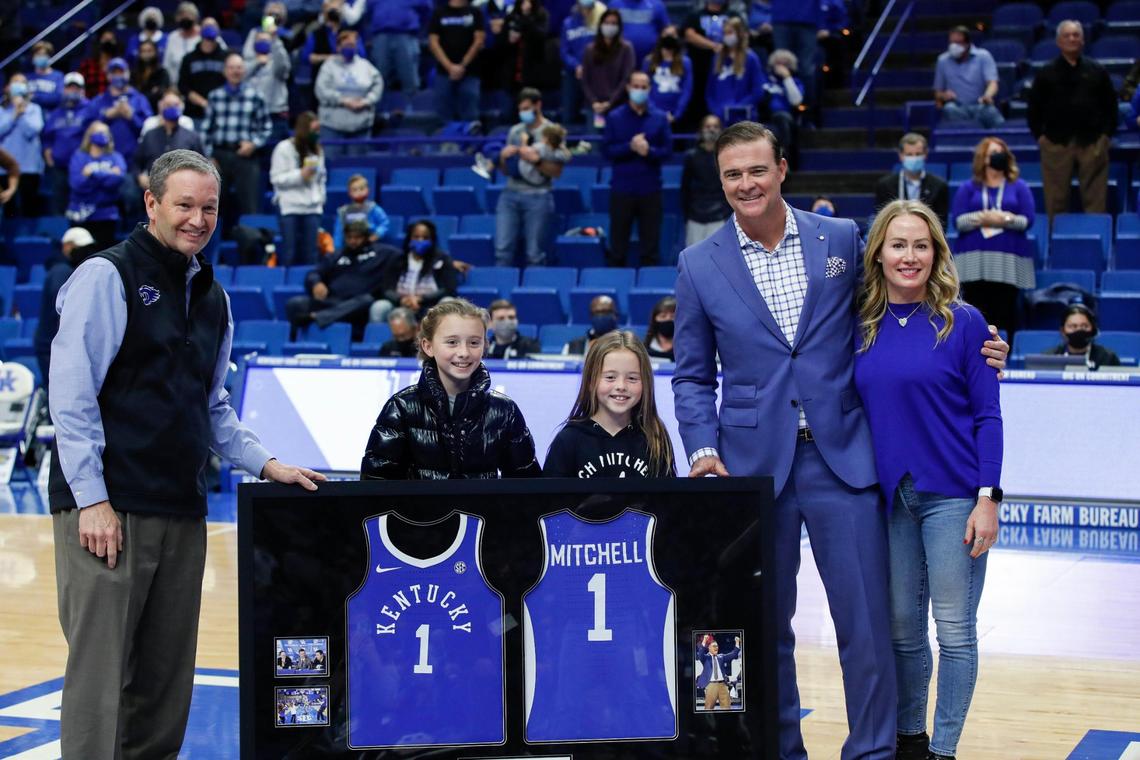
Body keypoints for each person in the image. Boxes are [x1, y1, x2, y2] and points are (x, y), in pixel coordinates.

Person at [671, 121, 1009, 760]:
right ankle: (781, 751)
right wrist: (702, 448)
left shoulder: (842, 239)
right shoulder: (697, 263)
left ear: (782, 169)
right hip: (751, 469)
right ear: (721, 182)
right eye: (732, 175)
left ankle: (875, 752)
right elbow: (691, 374)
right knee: (765, 625)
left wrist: (975, 337)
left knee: (869, 627)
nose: (746, 183)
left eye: (757, 170)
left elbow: (900, 296)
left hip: (843, 459)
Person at [48, 148, 324, 759]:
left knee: (166, 683)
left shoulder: (214, 298)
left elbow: (212, 407)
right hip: (109, 511)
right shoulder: (105, 276)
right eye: (184, 205)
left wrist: (266, 463)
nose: (198, 219)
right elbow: (70, 400)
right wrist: (91, 499)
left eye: (209, 208)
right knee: (99, 680)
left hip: (181, 508)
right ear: (151, 203)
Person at [853, 199, 1003, 760]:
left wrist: (987, 497)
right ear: (880, 254)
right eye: (898, 244)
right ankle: (910, 741)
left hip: (955, 497)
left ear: (936, 252)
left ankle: (944, 750)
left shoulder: (963, 324)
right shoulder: (860, 325)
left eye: (921, 245)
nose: (909, 256)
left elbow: (989, 415)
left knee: (955, 631)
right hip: (889, 499)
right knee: (902, 632)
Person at [361, 298, 542, 479]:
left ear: (484, 346)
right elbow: (376, 487)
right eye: (452, 342)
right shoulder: (401, 408)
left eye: (474, 343)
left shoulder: (505, 410)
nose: (463, 352)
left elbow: (527, 487)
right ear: (428, 346)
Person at [545, 329, 675, 477]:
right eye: (610, 377)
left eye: (632, 378)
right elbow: (551, 499)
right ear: (590, 381)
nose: (621, 386)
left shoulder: (655, 437)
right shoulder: (569, 439)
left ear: (646, 383)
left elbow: (668, 499)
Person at [1027, 20, 1117, 218]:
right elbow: (1033, 109)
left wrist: (1105, 136)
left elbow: (1111, 106)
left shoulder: (1097, 71)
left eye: (1076, 35)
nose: (1072, 39)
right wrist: (1041, 137)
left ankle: (1096, 237)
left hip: (1093, 142)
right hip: (1056, 144)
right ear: (1059, 41)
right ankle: (1056, 241)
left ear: (1083, 40)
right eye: (1067, 35)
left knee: (1095, 200)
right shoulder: (1046, 73)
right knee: (1055, 199)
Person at [950, 136, 1035, 336]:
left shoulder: (1019, 187)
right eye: (992, 153)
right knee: (975, 312)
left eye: (1000, 153)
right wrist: (983, 217)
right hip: (974, 262)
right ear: (982, 158)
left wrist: (1003, 219)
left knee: (1005, 310)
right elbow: (959, 222)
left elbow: (1027, 220)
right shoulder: (968, 188)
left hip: (1008, 262)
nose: (997, 157)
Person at [604, 70, 672, 267]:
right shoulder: (615, 117)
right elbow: (606, 151)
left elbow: (667, 151)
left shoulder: (659, 118)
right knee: (617, 247)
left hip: (650, 190)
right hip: (622, 190)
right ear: (628, 88)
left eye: (643, 87)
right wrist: (630, 146)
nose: (639, 90)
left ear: (649, 89)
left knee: (650, 248)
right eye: (636, 86)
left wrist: (648, 151)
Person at [495, 89, 570, 267]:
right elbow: (506, 171)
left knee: (534, 253)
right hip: (510, 194)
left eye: (527, 108)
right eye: (521, 109)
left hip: (538, 196)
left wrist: (536, 161)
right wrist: (503, 158)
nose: (524, 113)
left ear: (538, 105)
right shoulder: (515, 131)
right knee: (502, 250)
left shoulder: (552, 132)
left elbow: (556, 172)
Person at [286, 219, 394, 334]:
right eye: (349, 238)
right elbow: (313, 273)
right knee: (295, 303)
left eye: (357, 238)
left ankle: (318, 317)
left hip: (357, 306)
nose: (353, 241)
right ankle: (294, 342)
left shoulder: (383, 253)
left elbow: (405, 256)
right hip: (332, 300)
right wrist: (316, 283)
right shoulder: (336, 255)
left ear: (367, 237)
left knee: (367, 300)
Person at [201, 52, 272, 223]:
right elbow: (205, 130)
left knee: (250, 205)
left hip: (246, 156)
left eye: (239, 67)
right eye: (231, 68)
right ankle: (211, 246)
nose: (235, 71)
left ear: (244, 70)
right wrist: (209, 156)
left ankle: (252, 246)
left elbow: (267, 127)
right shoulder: (214, 96)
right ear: (225, 71)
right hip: (219, 156)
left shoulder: (256, 96)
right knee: (212, 204)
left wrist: (254, 144)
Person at [36, 227, 98, 393]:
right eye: (80, 247)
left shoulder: (67, 270)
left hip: (53, 344)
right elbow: (65, 312)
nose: (85, 252)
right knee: (61, 396)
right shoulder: (62, 272)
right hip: (53, 346)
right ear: (67, 246)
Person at [130, 90, 205, 219]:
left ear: (181, 107)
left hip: (184, 192)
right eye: (167, 105)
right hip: (153, 190)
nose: (171, 108)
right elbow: (136, 163)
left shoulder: (192, 137)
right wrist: (139, 177)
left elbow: (203, 166)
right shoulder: (150, 135)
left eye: (174, 105)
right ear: (160, 107)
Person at [370, 220, 460, 322]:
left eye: (425, 238)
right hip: (400, 305)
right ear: (409, 239)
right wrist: (402, 300)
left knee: (448, 302)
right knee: (379, 306)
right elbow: (386, 289)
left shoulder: (442, 259)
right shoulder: (397, 260)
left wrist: (421, 299)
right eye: (416, 237)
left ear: (432, 240)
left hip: (431, 306)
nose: (420, 241)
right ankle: (377, 337)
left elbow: (449, 289)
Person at [270, 111, 327, 266]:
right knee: (290, 252)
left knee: (311, 252)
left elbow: (322, 178)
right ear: (304, 129)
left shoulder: (317, 150)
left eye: (318, 130)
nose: (317, 134)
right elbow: (276, 178)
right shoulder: (284, 148)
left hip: (312, 208)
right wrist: (300, 175)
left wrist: (321, 198)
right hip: (290, 207)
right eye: (314, 130)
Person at [315, 28, 383, 157]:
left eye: (352, 45)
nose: (349, 48)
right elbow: (321, 90)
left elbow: (378, 85)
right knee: (332, 166)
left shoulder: (366, 66)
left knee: (357, 167)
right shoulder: (328, 66)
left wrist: (366, 101)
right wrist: (343, 100)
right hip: (332, 126)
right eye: (346, 45)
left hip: (360, 126)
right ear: (338, 47)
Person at [82, 57, 153, 167]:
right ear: (108, 76)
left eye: (121, 72)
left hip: (133, 161)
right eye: (114, 73)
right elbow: (86, 129)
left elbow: (150, 130)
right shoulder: (99, 100)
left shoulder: (139, 99)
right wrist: (106, 116)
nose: (118, 76)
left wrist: (132, 116)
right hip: (102, 161)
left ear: (128, 73)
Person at [682, 0, 743, 127]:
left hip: (728, 65)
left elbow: (743, 33)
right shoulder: (695, 15)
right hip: (700, 67)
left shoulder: (733, 14)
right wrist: (713, 46)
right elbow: (689, 34)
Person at [66, 122, 126, 250]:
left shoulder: (115, 157)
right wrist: (107, 174)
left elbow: (117, 181)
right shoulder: (79, 156)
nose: (102, 136)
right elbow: (77, 184)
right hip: (81, 215)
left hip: (106, 215)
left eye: (105, 133)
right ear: (89, 135)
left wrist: (92, 173)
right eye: (98, 132)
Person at [874, 132, 949, 231]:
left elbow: (941, 225)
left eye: (918, 154)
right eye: (909, 154)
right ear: (901, 156)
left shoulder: (939, 186)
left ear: (925, 154)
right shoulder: (885, 186)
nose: (914, 158)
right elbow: (881, 222)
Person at [933, 26, 1003, 129]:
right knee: (949, 109)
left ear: (967, 43)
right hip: (956, 107)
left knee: (989, 111)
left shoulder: (983, 56)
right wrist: (944, 95)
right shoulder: (943, 60)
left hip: (980, 105)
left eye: (958, 42)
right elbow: (937, 92)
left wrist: (987, 96)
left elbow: (992, 83)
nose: (954, 46)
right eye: (951, 43)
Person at [427, 0, 485, 123]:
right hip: (444, 72)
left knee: (470, 110)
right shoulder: (439, 13)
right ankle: (447, 139)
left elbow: (479, 40)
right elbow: (433, 42)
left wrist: (462, 65)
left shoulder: (475, 12)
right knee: (443, 111)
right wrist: (450, 67)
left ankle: (471, 140)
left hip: (470, 71)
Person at [42, 73, 89, 215]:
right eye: (70, 88)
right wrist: (48, 155)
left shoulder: (89, 110)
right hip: (59, 167)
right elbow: (46, 138)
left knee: (81, 205)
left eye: (77, 88)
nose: (73, 91)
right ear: (64, 90)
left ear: (83, 91)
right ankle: (59, 236)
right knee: (58, 204)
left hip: (81, 167)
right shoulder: (56, 113)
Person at [581, 9, 636, 129]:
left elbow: (626, 78)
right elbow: (585, 79)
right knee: (595, 142)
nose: (609, 26)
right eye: (606, 23)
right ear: (600, 25)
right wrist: (594, 102)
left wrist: (610, 102)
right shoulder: (590, 49)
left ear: (619, 27)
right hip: (594, 107)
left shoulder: (626, 49)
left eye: (613, 23)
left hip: (618, 106)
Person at [0, 74, 45, 218]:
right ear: (7, 87)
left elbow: (33, 130)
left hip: (29, 168)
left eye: (22, 83)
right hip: (4, 169)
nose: (19, 85)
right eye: (15, 82)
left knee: (30, 209)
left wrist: (22, 114)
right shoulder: (1, 111)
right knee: (8, 210)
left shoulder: (34, 109)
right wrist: (14, 115)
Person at [682, 113, 731, 246]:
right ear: (701, 130)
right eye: (708, 126)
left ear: (721, 130)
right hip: (695, 217)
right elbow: (685, 189)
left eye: (715, 126)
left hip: (720, 217)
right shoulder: (691, 157)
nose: (711, 130)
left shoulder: (727, 156)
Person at [301, 0, 366, 98]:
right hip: (322, 80)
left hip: (347, 80)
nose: (334, 11)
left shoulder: (351, 33)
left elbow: (362, 55)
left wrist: (348, 49)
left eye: (337, 9)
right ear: (324, 12)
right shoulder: (316, 34)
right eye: (331, 8)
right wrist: (330, 57)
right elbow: (306, 57)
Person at [705, 16, 764, 124]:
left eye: (730, 32)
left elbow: (758, 91)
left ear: (739, 33)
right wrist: (716, 110)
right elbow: (710, 91)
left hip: (744, 115)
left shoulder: (751, 58)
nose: (727, 36)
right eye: (725, 33)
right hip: (720, 115)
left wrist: (737, 108)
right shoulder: (717, 58)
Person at [365, 0, 431, 94]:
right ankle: (378, 107)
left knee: (409, 77)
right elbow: (367, 12)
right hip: (381, 36)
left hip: (406, 36)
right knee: (378, 77)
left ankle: (410, 107)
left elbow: (427, 13)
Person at [770, 0, 823, 114]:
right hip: (782, 17)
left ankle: (808, 114)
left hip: (807, 17)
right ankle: (782, 112)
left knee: (806, 68)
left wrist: (823, 22)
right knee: (781, 64)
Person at [560, 0, 607, 126]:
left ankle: (594, 142)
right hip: (573, 74)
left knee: (595, 113)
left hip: (596, 75)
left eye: (589, 8)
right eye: (584, 7)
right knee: (568, 114)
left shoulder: (600, 22)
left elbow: (605, 48)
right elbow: (564, 51)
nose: (586, 11)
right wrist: (576, 66)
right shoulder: (568, 23)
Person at [244, 26, 292, 146]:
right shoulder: (246, 63)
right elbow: (239, 77)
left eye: (266, 40)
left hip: (275, 116)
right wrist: (257, 63)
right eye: (259, 40)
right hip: (251, 118)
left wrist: (275, 39)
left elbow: (282, 66)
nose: (263, 43)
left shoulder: (276, 63)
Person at [498, 0, 551, 99]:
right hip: (511, 74)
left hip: (533, 73)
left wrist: (526, 18)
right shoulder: (511, 17)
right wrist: (509, 40)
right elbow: (500, 43)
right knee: (508, 111)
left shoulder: (541, 16)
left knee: (530, 106)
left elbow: (542, 37)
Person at [179, 19, 228, 122]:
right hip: (194, 113)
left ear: (219, 31)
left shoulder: (227, 57)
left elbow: (230, 82)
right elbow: (183, 86)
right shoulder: (189, 58)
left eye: (213, 25)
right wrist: (203, 102)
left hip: (221, 112)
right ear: (199, 30)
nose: (210, 28)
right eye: (206, 25)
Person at [1045, 303, 1121, 369]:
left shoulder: (1107, 358)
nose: (1079, 330)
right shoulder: (1050, 357)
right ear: (1062, 331)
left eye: (1085, 326)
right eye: (1073, 326)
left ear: (1093, 329)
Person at [760, 48, 803, 153]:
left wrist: (787, 78)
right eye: (778, 63)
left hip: (783, 115)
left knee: (782, 118)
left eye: (785, 64)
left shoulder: (795, 81)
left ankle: (783, 153)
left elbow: (796, 101)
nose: (781, 67)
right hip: (763, 113)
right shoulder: (763, 78)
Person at [645, 29, 692, 123]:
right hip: (652, 112)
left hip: (676, 114)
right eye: (666, 34)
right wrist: (657, 113)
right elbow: (645, 88)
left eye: (672, 34)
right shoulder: (649, 61)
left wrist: (677, 113)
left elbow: (687, 90)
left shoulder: (685, 62)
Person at [333, 173, 390, 250]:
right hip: (349, 247)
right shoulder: (343, 211)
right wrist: (337, 249)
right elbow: (338, 233)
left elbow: (384, 223)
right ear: (349, 192)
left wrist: (377, 234)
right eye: (355, 190)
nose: (358, 192)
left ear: (368, 190)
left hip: (369, 244)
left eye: (361, 189)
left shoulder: (373, 208)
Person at [605, 0, 669, 64]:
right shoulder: (614, 4)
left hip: (650, 62)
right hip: (620, 60)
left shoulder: (657, 5)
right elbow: (606, 32)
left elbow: (666, 31)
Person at [695, 634, 741, 709]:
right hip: (711, 685)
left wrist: (737, 642)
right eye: (714, 646)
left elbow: (733, 654)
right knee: (708, 709)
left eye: (717, 646)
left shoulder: (721, 657)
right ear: (709, 648)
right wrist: (704, 640)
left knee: (727, 708)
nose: (716, 648)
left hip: (723, 685)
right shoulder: (706, 658)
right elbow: (700, 654)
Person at [164, 2, 203, 86]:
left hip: (200, 85)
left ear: (196, 18)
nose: (185, 18)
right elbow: (166, 65)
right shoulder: (172, 37)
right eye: (182, 15)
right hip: (175, 86)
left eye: (189, 15)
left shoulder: (204, 35)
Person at [133, 39, 173, 113]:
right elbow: (133, 93)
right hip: (138, 110)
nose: (146, 54)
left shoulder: (162, 72)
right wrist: (152, 92)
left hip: (157, 111)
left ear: (155, 52)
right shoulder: (134, 72)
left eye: (149, 51)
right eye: (143, 51)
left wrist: (144, 94)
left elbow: (160, 93)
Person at [79, 30, 121, 99]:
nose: (108, 42)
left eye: (111, 40)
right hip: (91, 105)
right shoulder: (87, 65)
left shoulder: (120, 65)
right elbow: (80, 88)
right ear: (99, 41)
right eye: (105, 39)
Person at [28, 42, 66, 112]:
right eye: (38, 54)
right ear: (33, 57)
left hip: (50, 115)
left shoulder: (58, 76)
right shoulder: (28, 77)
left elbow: (59, 98)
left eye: (44, 54)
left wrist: (35, 97)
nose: (40, 57)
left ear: (49, 57)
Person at [643, 294, 676, 360]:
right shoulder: (644, 348)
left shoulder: (686, 349)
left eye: (673, 316)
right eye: (663, 316)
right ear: (654, 320)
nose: (668, 319)